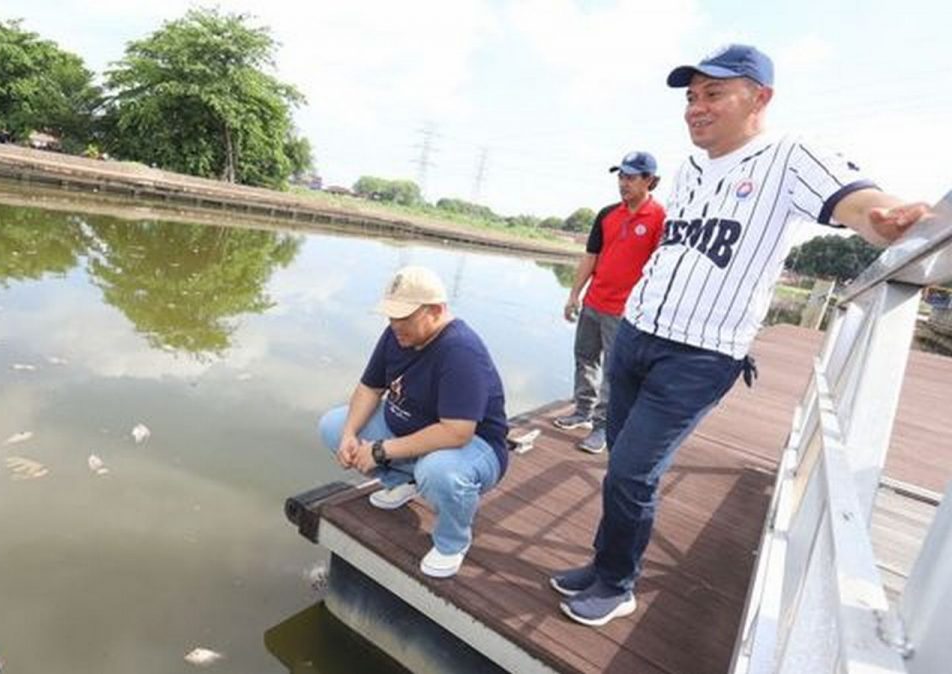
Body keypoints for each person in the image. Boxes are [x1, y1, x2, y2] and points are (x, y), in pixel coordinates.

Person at [550, 44, 932, 627]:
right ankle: (602, 566)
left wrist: (880, 217)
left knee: (632, 471)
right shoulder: (691, 168)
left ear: (759, 97)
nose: (696, 108)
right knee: (619, 464)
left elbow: (854, 200)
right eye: (691, 97)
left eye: (713, 94)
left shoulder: (788, 155)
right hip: (637, 334)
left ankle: (619, 584)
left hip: (699, 354)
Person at [319, 266, 509, 578]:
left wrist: (381, 450)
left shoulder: (460, 350)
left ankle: (452, 542)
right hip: (409, 428)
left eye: (404, 317)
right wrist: (350, 434)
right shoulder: (396, 335)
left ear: (436, 310)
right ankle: (403, 482)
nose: (395, 325)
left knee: (438, 472)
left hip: (474, 447)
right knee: (333, 425)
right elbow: (370, 387)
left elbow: (457, 432)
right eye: (391, 316)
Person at [555, 152, 666, 453]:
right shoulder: (606, 214)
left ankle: (603, 428)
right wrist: (574, 294)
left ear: (650, 181)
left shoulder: (660, 219)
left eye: (631, 177)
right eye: (621, 176)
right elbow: (591, 256)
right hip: (594, 302)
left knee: (615, 371)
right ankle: (582, 411)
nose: (623, 183)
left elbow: (662, 268)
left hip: (626, 312)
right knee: (585, 357)